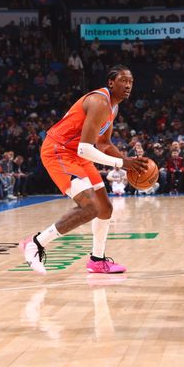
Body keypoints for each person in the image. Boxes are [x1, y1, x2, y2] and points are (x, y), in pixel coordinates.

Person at [19, 65, 148, 274]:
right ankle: (36, 242)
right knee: (90, 207)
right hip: (58, 150)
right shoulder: (99, 102)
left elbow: (104, 143)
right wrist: (122, 164)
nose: (128, 86)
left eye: (131, 82)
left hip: (78, 153)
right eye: (123, 81)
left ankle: (97, 260)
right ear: (111, 83)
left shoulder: (113, 107)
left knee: (105, 208)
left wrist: (127, 160)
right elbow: (86, 148)